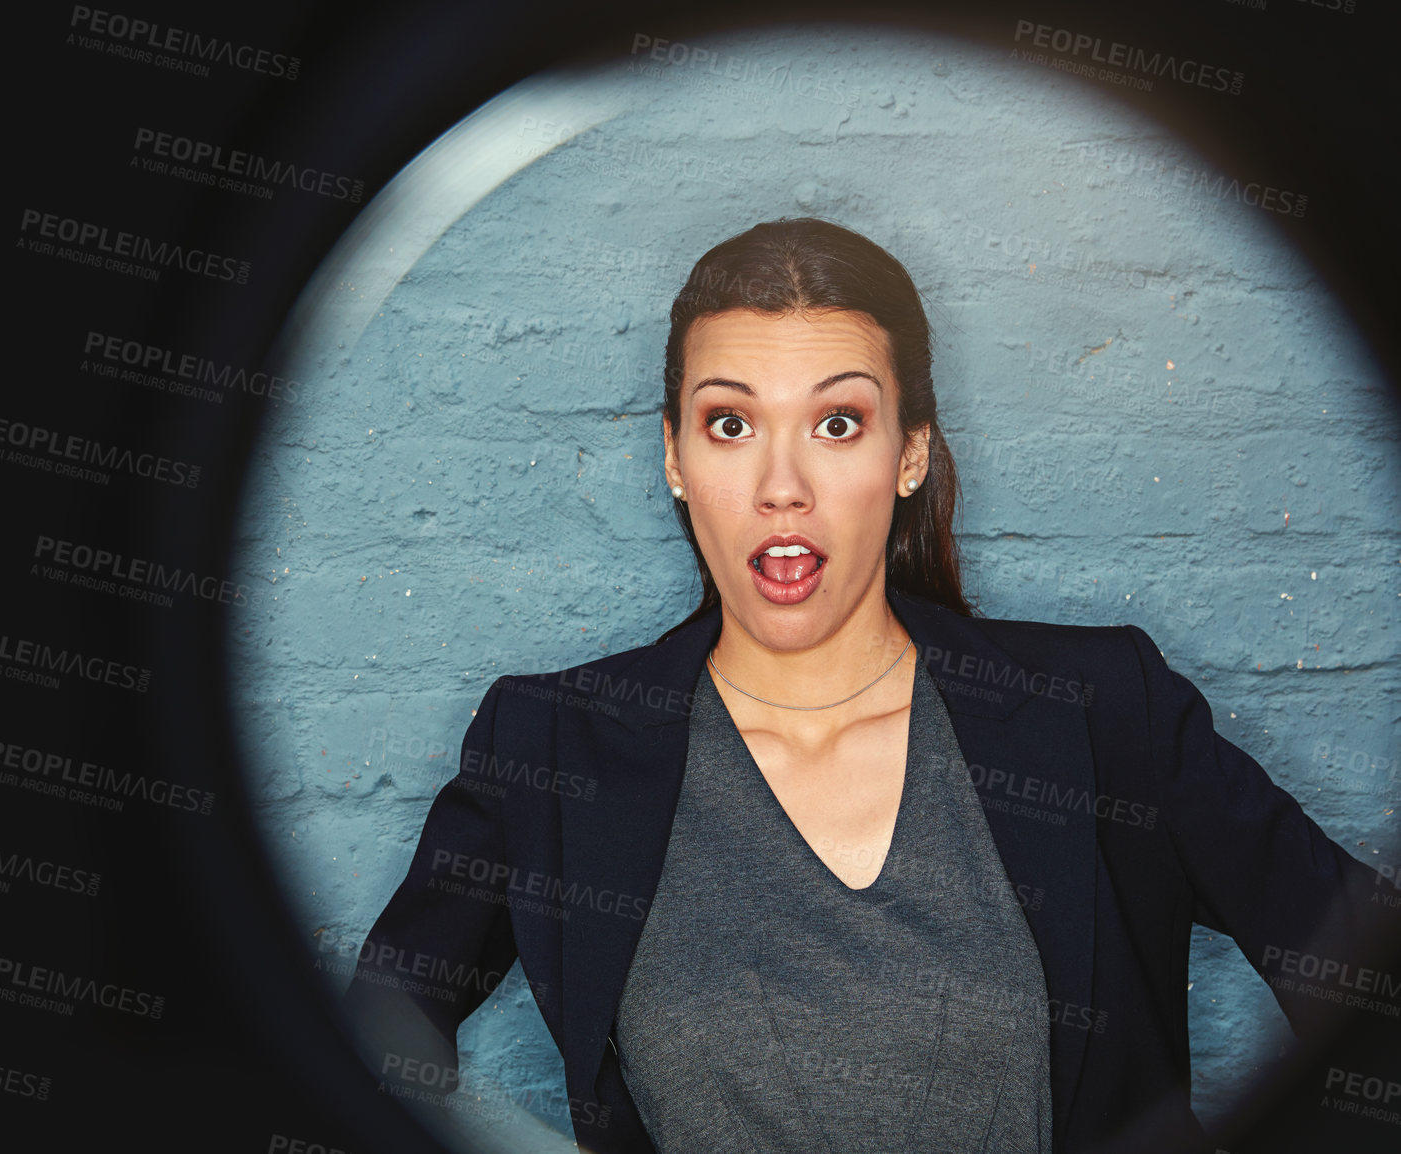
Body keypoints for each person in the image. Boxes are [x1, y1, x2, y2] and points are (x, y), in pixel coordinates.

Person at [340, 218, 1395, 1153]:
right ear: (673, 457)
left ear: (909, 455)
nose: (781, 484)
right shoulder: (555, 749)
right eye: (729, 423)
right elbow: (365, 1046)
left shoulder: (1100, 709)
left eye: (837, 422)